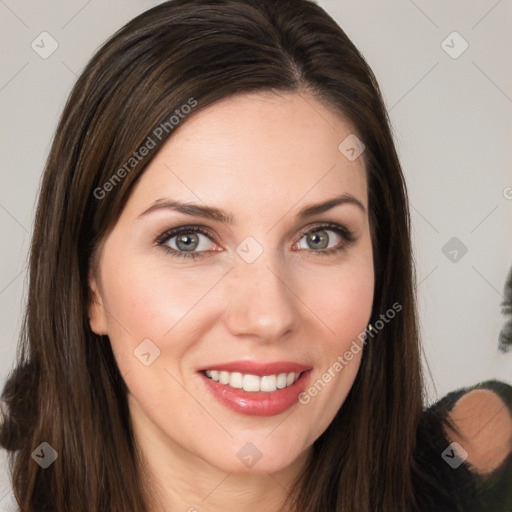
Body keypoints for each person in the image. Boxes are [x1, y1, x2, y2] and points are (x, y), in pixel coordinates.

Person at [0, 0, 510, 510]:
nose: (269, 316)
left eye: (320, 237)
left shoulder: (484, 459)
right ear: (90, 286)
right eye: (188, 240)